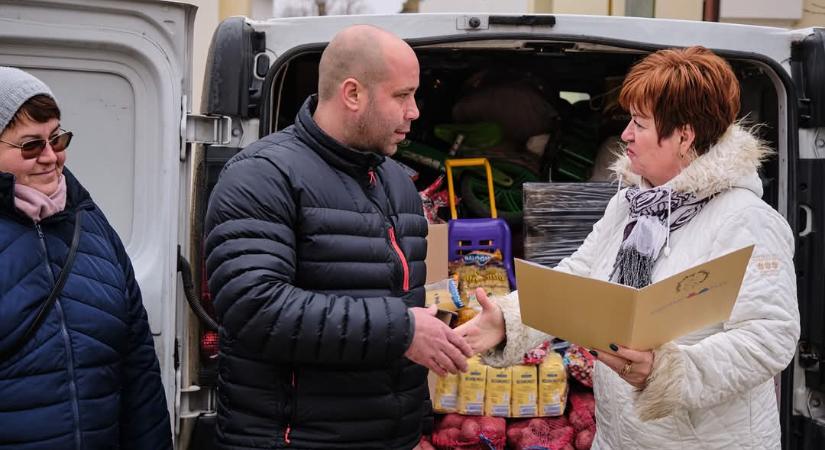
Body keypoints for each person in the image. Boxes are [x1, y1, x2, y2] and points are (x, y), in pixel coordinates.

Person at [457, 46, 799, 449]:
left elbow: (770, 336)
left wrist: (668, 372)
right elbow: (581, 277)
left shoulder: (745, 219)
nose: (625, 135)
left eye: (639, 123)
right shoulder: (633, 203)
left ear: (684, 135)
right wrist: (510, 320)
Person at [204, 25, 472, 450]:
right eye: (402, 96)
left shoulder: (397, 184)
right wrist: (400, 329)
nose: (415, 111)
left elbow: (406, 309)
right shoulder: (261, 175)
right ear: (352, 94)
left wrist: (418, 428)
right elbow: (254, 309)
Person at [0, 67, 171, 448]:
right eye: (30, 145)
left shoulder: (91, 224)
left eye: (57, 139)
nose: (50, 157)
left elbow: (138, 367)